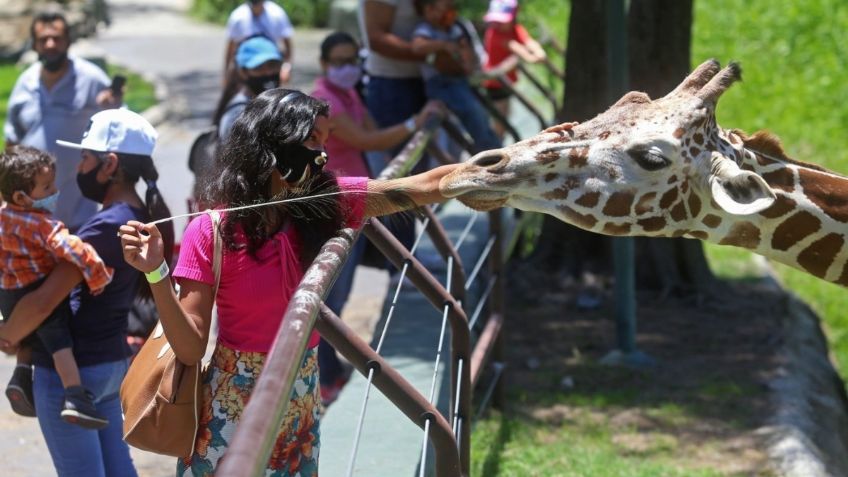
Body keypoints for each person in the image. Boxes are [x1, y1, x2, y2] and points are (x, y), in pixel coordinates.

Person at [117, 88, 460, 475]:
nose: (322, 154)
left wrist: (507, 167)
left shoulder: (321, 206)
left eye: (326, 141)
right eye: (312, 139)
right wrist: (156, 273)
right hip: (232, 408)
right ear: (273, 140)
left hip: (301, 398)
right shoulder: (211, 231)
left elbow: (419, 188)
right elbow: (192, 347)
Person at [0, 109, 173, 477]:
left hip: (74, 370)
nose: (78, 166)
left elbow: (44, 300)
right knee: (116, 469)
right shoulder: (135, 214)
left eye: (84, 157)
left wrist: (9, 335)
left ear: (109, 165)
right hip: (110, 365)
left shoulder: (105, 226)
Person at [311, 31, 441, 404]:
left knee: (342, 292)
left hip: (352, 203)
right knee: (329, 297)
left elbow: (370, 131)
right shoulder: (325, 101)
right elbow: (368, 141)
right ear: (324, 65)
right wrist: (416, 122)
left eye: (353, 59)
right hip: (333, 205)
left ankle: (328, 370)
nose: (347, 67)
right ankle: (325, 375)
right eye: (339, 61)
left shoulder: (349, 93)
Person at [0, 146, 113, 429]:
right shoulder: (42, 224)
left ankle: (22, 375)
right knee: (59, 344)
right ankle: (75, 396)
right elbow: (72, 249)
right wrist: (97, 273)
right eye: (47, 187)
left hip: (8, 293)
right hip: (38, 289)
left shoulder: (4, 215)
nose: (54, 191)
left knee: (28, 337)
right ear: (21, 197)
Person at [3, 10, 122, 231]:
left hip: (80, 214)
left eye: (56, 38)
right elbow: (11, 145)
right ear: (34, 45)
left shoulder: (91, 79)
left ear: (68, 41)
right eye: (43, 40)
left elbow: (120, 126)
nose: (50, 44)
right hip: (31, 216)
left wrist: (110, 108)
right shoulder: (24, 83)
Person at [411, 0, 501, 152]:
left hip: (459, 80)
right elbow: (417, 47)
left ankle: (491, 147)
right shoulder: (426, 30)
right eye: (445, 7)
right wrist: (443, 45)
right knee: (472, 112)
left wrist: (466, 61)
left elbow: (466, 52)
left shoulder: (453, 29)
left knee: (480, 114)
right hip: (441, 84)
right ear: (429, 10)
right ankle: (490, 150)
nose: (450, 11)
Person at [481, 0, 547, 138]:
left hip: (506, 82)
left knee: (505, 118)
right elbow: (515, 47)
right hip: (495, 84)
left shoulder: (515, 29)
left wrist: (539, 52)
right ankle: (494, 150)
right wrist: (532, 58)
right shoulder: (494, 34)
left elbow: (528, 41)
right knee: (500, 123)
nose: (499, 24)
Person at [217, 35, 283, 142]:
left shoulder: (282, 104)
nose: (268, 73)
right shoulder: (238, 114)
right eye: (258, 68)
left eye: (272, 65)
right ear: (243, 72)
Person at [224, 0, 293, 86]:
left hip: (271, 68)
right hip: (246, 69)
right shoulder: (237, 16)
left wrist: (286, 67)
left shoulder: (277, 14)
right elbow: (230, 48)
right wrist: (226, 73)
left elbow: (288, 45)